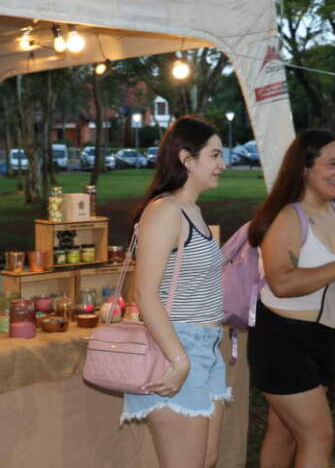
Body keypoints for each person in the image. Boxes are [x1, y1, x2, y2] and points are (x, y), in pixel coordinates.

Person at [247, 130, 335, 468]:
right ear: (304, 168)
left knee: (285, 431)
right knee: (318, 436)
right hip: (281, 340)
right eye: (332, 163)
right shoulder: (287, 218)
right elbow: (281, 283)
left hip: (325, 337)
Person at [122, 116, 229, 468]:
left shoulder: (192, 210)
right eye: (214, 155)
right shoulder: (165, 211)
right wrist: (179, 359)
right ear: (187, 159)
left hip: (205, 347)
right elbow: (145, 294)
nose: (222, 165)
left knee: (206, 459)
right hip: (178, 346)